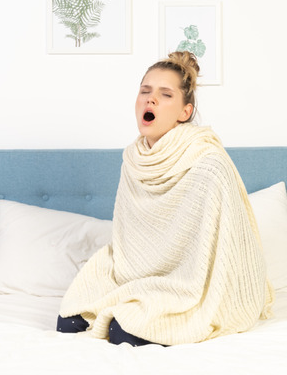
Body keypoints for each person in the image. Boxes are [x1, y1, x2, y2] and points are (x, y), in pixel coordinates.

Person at [57, 51, 274, 346]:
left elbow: (221, 247)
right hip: (138, 273)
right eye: (145, 91)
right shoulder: (133, 159)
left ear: (185, 111)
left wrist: (177, 283)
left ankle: (157, 305)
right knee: (68, 322)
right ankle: (140, 298)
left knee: (123, 331)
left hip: (190, 280)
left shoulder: (208, 161)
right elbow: (128, 239)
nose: (150, 100)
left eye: (165, 94)